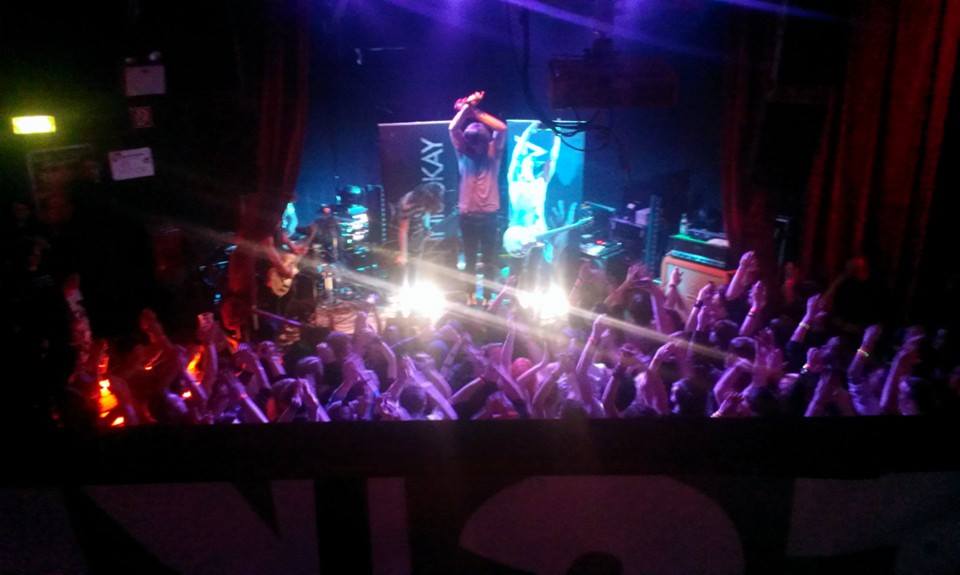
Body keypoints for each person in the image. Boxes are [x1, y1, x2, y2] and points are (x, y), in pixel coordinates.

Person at [449, 90, 507, 303]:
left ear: (485, 141)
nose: (476, 147)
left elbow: (501, 128)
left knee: (490, 259)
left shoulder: (494, 153)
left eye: (479, 141)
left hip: (488, 216)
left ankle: (489, 296)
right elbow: (452, 128)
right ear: (467, 142)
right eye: (472, 142)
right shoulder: (463, 153)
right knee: (470, 258)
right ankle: (471, 295)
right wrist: (467, 107)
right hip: (469, 216)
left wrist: (473, 110)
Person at [395, 182, 446, 274]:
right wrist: (403, 254)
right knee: (403, 268)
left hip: (417, 235)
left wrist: (426, 227)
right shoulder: (407, 205)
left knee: (415, 266)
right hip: (405, 236)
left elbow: (427, 212)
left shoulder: (426, 199)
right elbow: (403, 231)